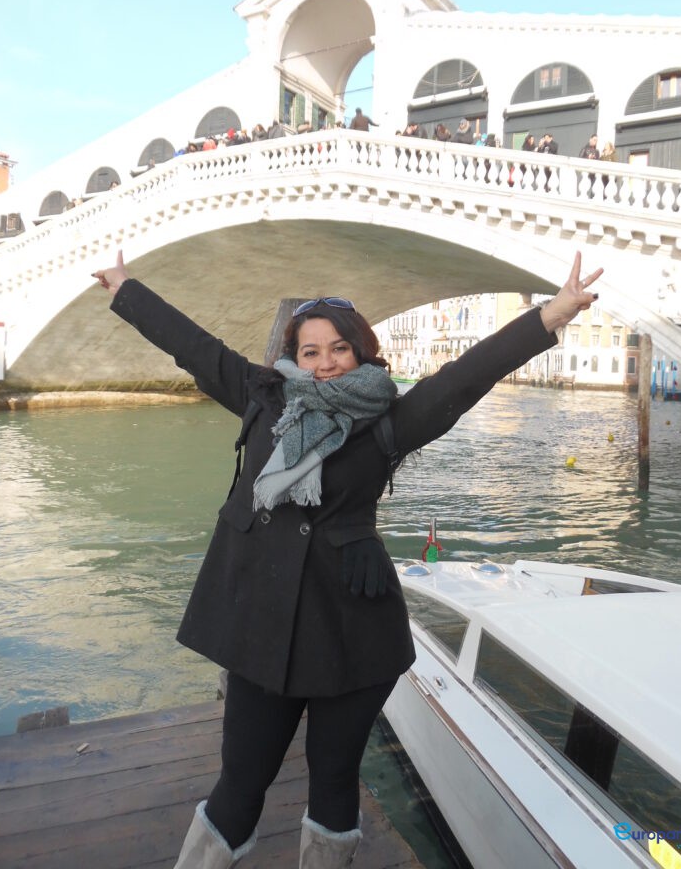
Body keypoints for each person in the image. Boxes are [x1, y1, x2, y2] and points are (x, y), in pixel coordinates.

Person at [90, 250, 602, 869]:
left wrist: (552, 314)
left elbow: (467, 376)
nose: (326, 363)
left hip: (349, 628)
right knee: (239, 785)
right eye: (311, 351)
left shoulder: (389, 421)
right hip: (262, 626)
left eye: (339, 349)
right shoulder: (262, 398)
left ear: (360, 353)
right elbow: (193, 346)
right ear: (293, 358)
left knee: (334, 784)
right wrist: (126, 289)